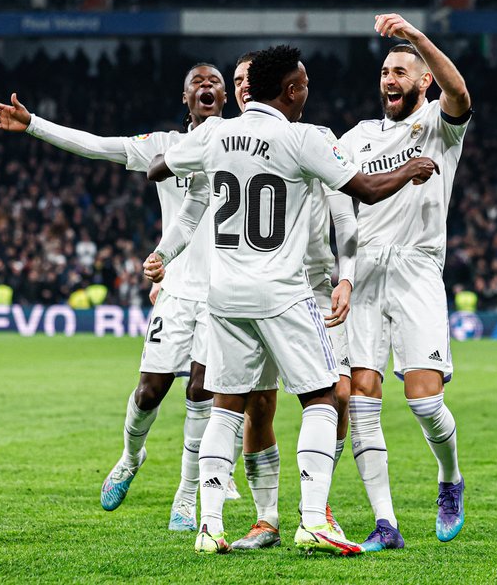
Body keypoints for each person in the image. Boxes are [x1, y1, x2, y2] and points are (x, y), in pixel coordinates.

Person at [146, 44, 439, 555]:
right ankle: (314, 519)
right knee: (323, 399)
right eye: (303, 86)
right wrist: (410, 170)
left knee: (226, 406)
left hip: (224, 297)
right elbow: (366, 190)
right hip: (282, 292)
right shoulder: (302, 138)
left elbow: (156, 169)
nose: (306, 93)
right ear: (290, 90)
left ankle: (209, 526)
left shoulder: (214, 133)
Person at [0, 64, 241, 531]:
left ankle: (186, 497)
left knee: (202, 391)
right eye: (197, 82)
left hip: (224, 293)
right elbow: (97, 146)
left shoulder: (241, 146)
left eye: (215, 82)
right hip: (177, 289)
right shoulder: (164, 145)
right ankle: (130, 457)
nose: (207, 86)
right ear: (185, 98)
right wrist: (33, 124)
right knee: (149, 391)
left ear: (227, 97)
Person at [340, 13, 471, 549]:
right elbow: (334, 196)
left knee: (424, 402)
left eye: (400, 72)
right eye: (384, 72)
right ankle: (385, 523)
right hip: (366, 269)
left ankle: (450, 479)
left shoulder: (440, 124)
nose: (389, 80)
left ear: (423, 81)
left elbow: (460, 92)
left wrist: (415, 36)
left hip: (417, 268)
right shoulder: (358, 137)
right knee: (362, 396)